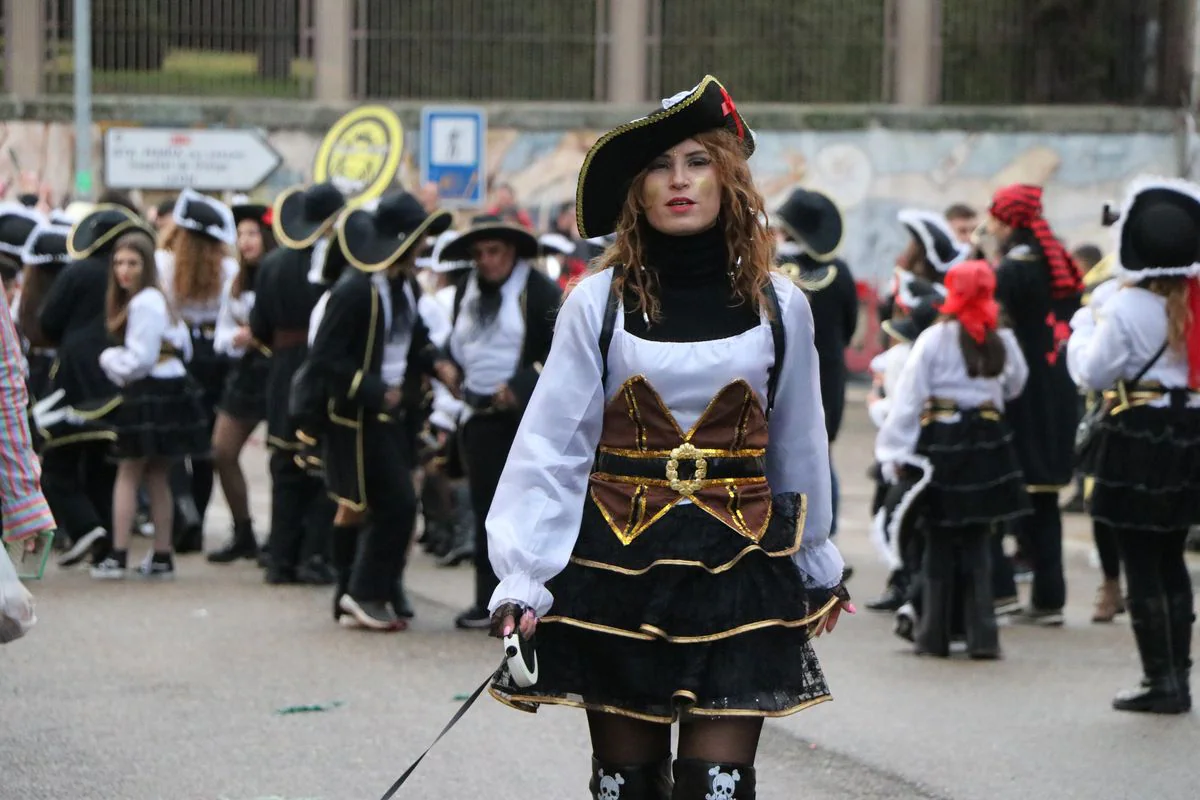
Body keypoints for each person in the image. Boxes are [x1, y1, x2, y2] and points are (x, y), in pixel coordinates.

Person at [484, 75, 851, 800]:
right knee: (627, 784)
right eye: (658, 166)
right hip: (619, 568)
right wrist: (523, 576)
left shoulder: (785, 305)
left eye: (697, 161)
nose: (678, 181)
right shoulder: (597, 303)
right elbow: (554, 446)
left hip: (742, 566)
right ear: (636, 192)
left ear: (729, 177)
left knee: (718, 783)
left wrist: (816, 559)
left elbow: (800, 443)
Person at [1068, 176, 1200, 714]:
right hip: (1189, 432)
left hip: (1137, 433)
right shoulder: (1194, 304)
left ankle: (1158, 680)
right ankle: (1179, 678)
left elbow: (1093, 373)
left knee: (1141, 561)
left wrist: (1080, 327)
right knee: (1171, 559)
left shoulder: (1122, 307)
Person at [304, 191, 454, 630]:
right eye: (421, 239)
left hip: (397, 417)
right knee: (398, 505)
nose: (426, 248)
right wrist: (374, 391)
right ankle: (364, 591)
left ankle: (358, 592)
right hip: (359, 419)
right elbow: (325, 360)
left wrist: (437, 364)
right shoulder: (354, 291)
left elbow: (415, 339)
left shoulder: (403, 284)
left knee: (370, 505)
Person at [876, 260, 1029, 658]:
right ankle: (983, 638)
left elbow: (909, 399)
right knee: (979, 538)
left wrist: (894, 451)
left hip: (943, 440)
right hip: (989, 441)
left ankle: (934, 636)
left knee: (939, 537)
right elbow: (1016, 383)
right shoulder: (1002, 335)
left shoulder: (935, 337)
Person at [438, 213, 562, 630]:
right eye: (479, 254)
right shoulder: (465, 293)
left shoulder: (539, 292)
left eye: (494, 252)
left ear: (511, 252)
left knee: (527, 510)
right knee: (484, 510)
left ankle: (530, 603)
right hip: (478, 418)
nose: (486, 261)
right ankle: (486, 600)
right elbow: (458, 343)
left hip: (522, 419)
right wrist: (446, 365)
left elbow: (563, 355)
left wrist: (521, 385)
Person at [987, 184, 1083, 626]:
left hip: (1023, 396)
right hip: (1059, 394)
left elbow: (989, 315)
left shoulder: (1015, 268)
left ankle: (1002, 589)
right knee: (1044, 499)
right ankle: (1049, 598)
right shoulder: (1055, 260)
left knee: (1003, 492)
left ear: (1008, 222)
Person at [41, 205, 155, 568]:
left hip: (74, 380)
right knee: (104, 467)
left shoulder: (77, 272)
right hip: (118, 379)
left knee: (56, 460)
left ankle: (86, 526)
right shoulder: (132, 275)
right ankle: (104, 545)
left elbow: (48, 320)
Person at [90, 234, 208, 579]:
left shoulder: (144, 302)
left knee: (128, 472)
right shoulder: (160, 300)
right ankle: (161, 554)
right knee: (158, 473)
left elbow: (139, 361)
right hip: (170, 389)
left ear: (146, 266)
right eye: (119, 263)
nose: (123, 271)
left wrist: (109, 358)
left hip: (149, 391)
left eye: (132, 263)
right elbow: (180, 348)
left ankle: (119, 553)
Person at [250, 182, 344, 584]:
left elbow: (259, 327)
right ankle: (313, 555)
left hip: (283, 370)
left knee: (285, 466)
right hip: (318, 371)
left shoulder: (272, 263)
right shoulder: (338, 266)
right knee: (321, 466)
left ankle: (280, 558)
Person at [774, 188, 859, 551]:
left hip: (777, 377)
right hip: (828, 375)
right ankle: (828, 541)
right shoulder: (839, 272)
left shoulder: (766, 266)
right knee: (822, 458)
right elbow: (851, 324)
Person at [207, 201, 277, 564]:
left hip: (278, 369)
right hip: (247, 371)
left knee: (282, 457)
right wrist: (236, 338)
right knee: (222, 450)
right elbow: (222, 329)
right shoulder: (236, 278)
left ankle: (282, 537)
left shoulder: (279, 271)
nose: (246, 241)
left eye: (252, 233)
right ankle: (243, 529)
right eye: (241, 234)